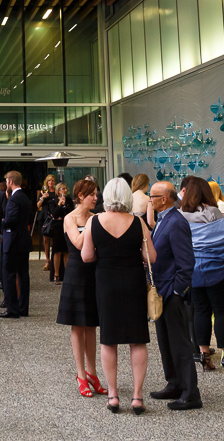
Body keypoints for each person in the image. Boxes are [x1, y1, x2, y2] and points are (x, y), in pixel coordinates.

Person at [83, 176, 155, 414]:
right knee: (137, 339)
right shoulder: (138, 223)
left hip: (106, 282)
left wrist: (103, 254)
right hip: (133, 282)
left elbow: (86, 256)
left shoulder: (94, 221)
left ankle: (113, 395)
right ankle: (137, 397)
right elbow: (151, 257)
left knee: (108, 339)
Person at [181, 175, 224, 374]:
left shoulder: (181, 215)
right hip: (216, 270)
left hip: (194, 271)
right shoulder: (213, 212)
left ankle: (204, 356)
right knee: (222, 312)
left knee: (201, 312)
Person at [149, 180, 199, 410]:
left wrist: (177, 291)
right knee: (165, 341)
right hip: (161, 291)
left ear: (164, 199)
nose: (149, 199)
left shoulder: (176, 222)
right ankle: (175, 383)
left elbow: (186, 262)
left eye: (152, 196)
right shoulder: (163, 219)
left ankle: (190, 393)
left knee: (179, 343)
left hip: (171, 292)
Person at [56, 178, 103, 398]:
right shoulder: (70, 218)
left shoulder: (95, 217)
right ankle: (81, 375)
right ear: (81, 196)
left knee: (92, 325)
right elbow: (77, 243)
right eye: (92, 194)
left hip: (94, 273)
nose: (96, 198)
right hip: (75, 273)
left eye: (96, 194)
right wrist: (92, 223)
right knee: (77, 325)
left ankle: (92, 373)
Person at [0, 170, 34, 319]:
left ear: (11, 182)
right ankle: (23, 308)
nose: (6, 183)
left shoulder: (13, 199)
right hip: (23, 240)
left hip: (13, 242)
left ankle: (12, 309)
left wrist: (1, 222)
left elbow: (11, 220)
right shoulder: (25, 197)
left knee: (8, 275)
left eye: (6, 181)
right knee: (23, 275)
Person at [43, 181, 72, 284]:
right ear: (58, 191)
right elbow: (54, 214)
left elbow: (70, 212)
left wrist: (65, 207)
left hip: (66, 226)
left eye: (65, 188)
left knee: (66, 251)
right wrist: (59, 205)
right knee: (57, 251)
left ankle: (67, 274)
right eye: (63, 189)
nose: (65, 190)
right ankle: (56, 274)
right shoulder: (53, 201)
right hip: (57, 227)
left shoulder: (69, 200)